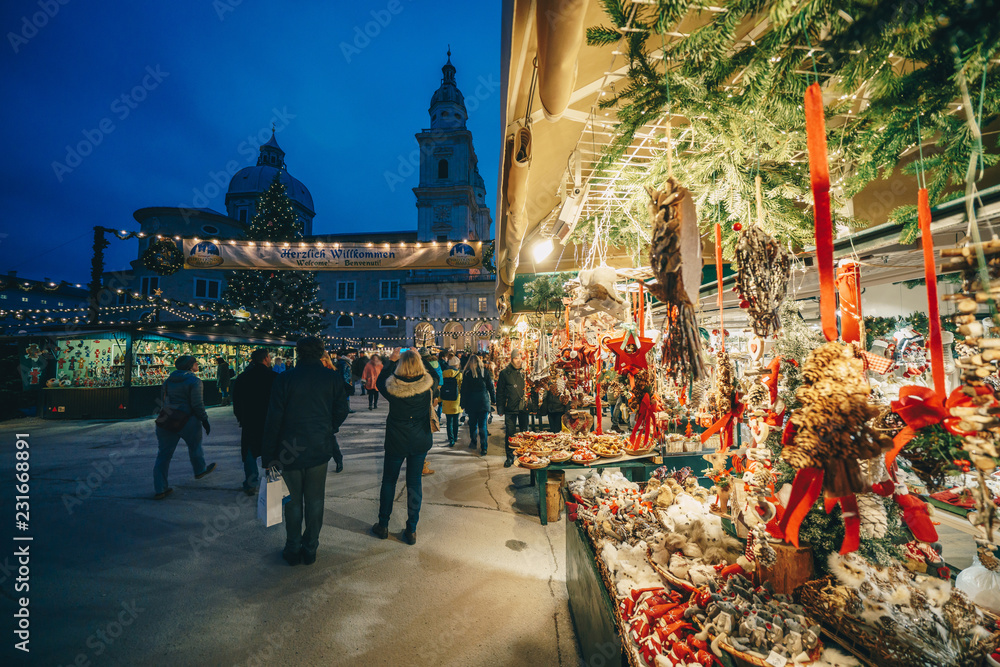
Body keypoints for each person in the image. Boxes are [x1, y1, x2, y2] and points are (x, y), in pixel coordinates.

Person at [261, 336, 349, 566]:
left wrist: (268, 453)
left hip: (289, 448)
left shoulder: (285, 378)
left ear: (299, 353)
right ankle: (310, 548)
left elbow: (273, 418)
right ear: (321, 353)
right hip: (319, 446)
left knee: (291, 502)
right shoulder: (332, 377)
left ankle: (292, 547)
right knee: (315, 500)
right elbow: (342, 409)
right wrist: (329, 427)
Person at [372, 348, 435, 545]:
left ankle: (383, 525)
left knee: (389, 481)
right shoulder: (427, 387)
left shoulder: (393, 388)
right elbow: (435, 376)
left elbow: (380, 382)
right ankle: (411, 529)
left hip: (396, 440)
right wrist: (421, 355)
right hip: (419, 440)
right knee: (414, 482)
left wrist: (391, 360)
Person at [153, 356, 216, 499]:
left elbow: (164, 401)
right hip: (187, 420)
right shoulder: (195, 381)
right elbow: (197, 404)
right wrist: (204, 420)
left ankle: (160, 489)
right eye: (195, 363)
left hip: (167, 419)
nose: (197, 364)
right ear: (190, 366)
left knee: (163, 455)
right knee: (195, 446)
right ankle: (199, 470)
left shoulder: (168, 381)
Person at [232, 349, 277, 495]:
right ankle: (273, 481)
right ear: (265, 359)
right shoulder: (274, 377)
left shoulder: (243, 377)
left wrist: (240, 417)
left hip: (250, 421)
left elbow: (237, 401)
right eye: (269, 357)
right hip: (270, 420)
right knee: (272, 450)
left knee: (250, 452)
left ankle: (251, 483)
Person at [496, 349, 529, 467]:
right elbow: (500, 391)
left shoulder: (526, 372)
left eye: (520, 357)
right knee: (510, 434)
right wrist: (500, 407)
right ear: (511, 359)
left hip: (523, 408)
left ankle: (524, 455)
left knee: (525, 432)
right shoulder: (505, 373)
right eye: (516, 358)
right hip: (510, 407)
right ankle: (509, 457)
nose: (518, 360)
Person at [460, 354, 495, 455]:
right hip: (483, 401)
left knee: (473, 424)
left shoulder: (467, 374)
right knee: (483, 425)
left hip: (471, 402)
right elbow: (490, 387)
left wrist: (463, 403)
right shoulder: (485, 372)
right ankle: (484, 447)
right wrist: (493, 399)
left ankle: (474, 441)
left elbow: (464, 390)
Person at [441, 356, 463, 447]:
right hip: (456, 400)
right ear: (457, 365)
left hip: (446, 400)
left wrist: (439, 399)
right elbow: (461, 388)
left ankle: (450, 439)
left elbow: (441, 387)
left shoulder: (443, 373)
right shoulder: (459, 374)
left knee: (448, 420)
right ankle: (455, 437)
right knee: (455, 420)